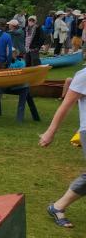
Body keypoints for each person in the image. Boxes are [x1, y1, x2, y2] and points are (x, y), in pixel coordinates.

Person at [40, 63, 86, 228]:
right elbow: (65, 105)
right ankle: (58, 206)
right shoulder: (84, 75)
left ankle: (57, 206)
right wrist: (50, 132)